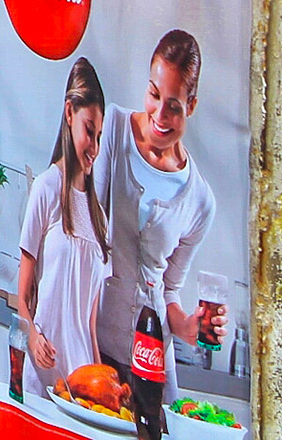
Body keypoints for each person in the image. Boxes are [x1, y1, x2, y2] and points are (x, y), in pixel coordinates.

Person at [91, 30, 225, 407]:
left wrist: (188, 326)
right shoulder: (110, 129)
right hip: (91, 340)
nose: (160, 116)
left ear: (192, 106)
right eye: (154, 95)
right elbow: (86, 234)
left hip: (150, 361)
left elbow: (167, 288)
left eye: (175, 106)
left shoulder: (200, 200)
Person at [15, 58, 111, 401]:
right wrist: (34, 337)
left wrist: (106, 384)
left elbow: (90, 325)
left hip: (86, 386)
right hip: (45, 375)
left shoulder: (100, 216)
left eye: (99, 136)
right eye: (89, 131)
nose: (95, 149)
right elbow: (22, 296)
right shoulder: (46, 188)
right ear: (69, 113)